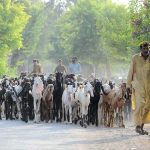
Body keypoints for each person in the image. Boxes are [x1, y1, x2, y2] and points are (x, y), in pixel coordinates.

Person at [127, 41, 150, 135]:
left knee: (147, 107)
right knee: (139, 105)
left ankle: (141, 127)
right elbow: (131, 71)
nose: (146, 50)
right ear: (141, 49)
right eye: (144, 48)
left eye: (147, 48)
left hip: (149, 87)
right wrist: (128, 85)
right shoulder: (135, 58)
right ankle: (137, 126)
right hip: (138, 86)